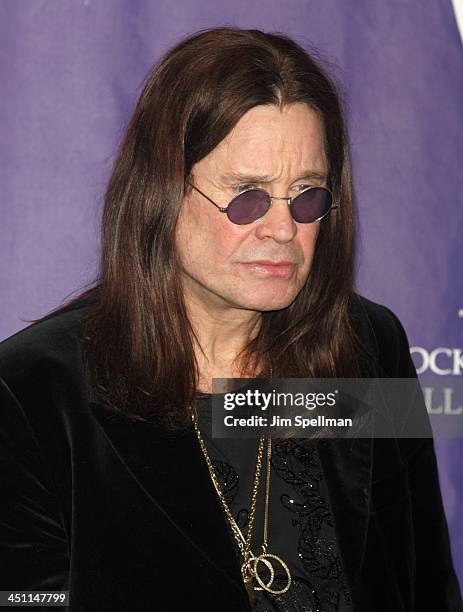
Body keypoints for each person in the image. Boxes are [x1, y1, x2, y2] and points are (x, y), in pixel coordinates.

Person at [0, 27, 461, 612]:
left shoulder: (370, 347)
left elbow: (427, 589)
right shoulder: (32, 394)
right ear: (161, 192)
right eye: (247, 196)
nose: (283, 229)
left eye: (307, 195)